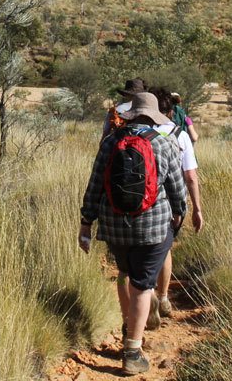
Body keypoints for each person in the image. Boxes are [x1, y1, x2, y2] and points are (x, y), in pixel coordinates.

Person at [79, 92, 186, 376]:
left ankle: (129, 325)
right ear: (152, 116)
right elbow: (177, 188)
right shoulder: (164, 143)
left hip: (114, 227)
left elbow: (94, 185)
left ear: (130, 114)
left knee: (125, 273)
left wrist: (86, 222)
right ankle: (132, 351)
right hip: (152, 228)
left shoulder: (110, 142)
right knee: (142, 285)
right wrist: (179, 215)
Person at [146, 88, 203, 326]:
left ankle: (145, 296)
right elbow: (190, 176)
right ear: (171, 110)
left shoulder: (136, 132)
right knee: (165, 247)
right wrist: (195, 208)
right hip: (169, 200)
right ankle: (163, 297)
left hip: (139, 201)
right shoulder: (179, 134)